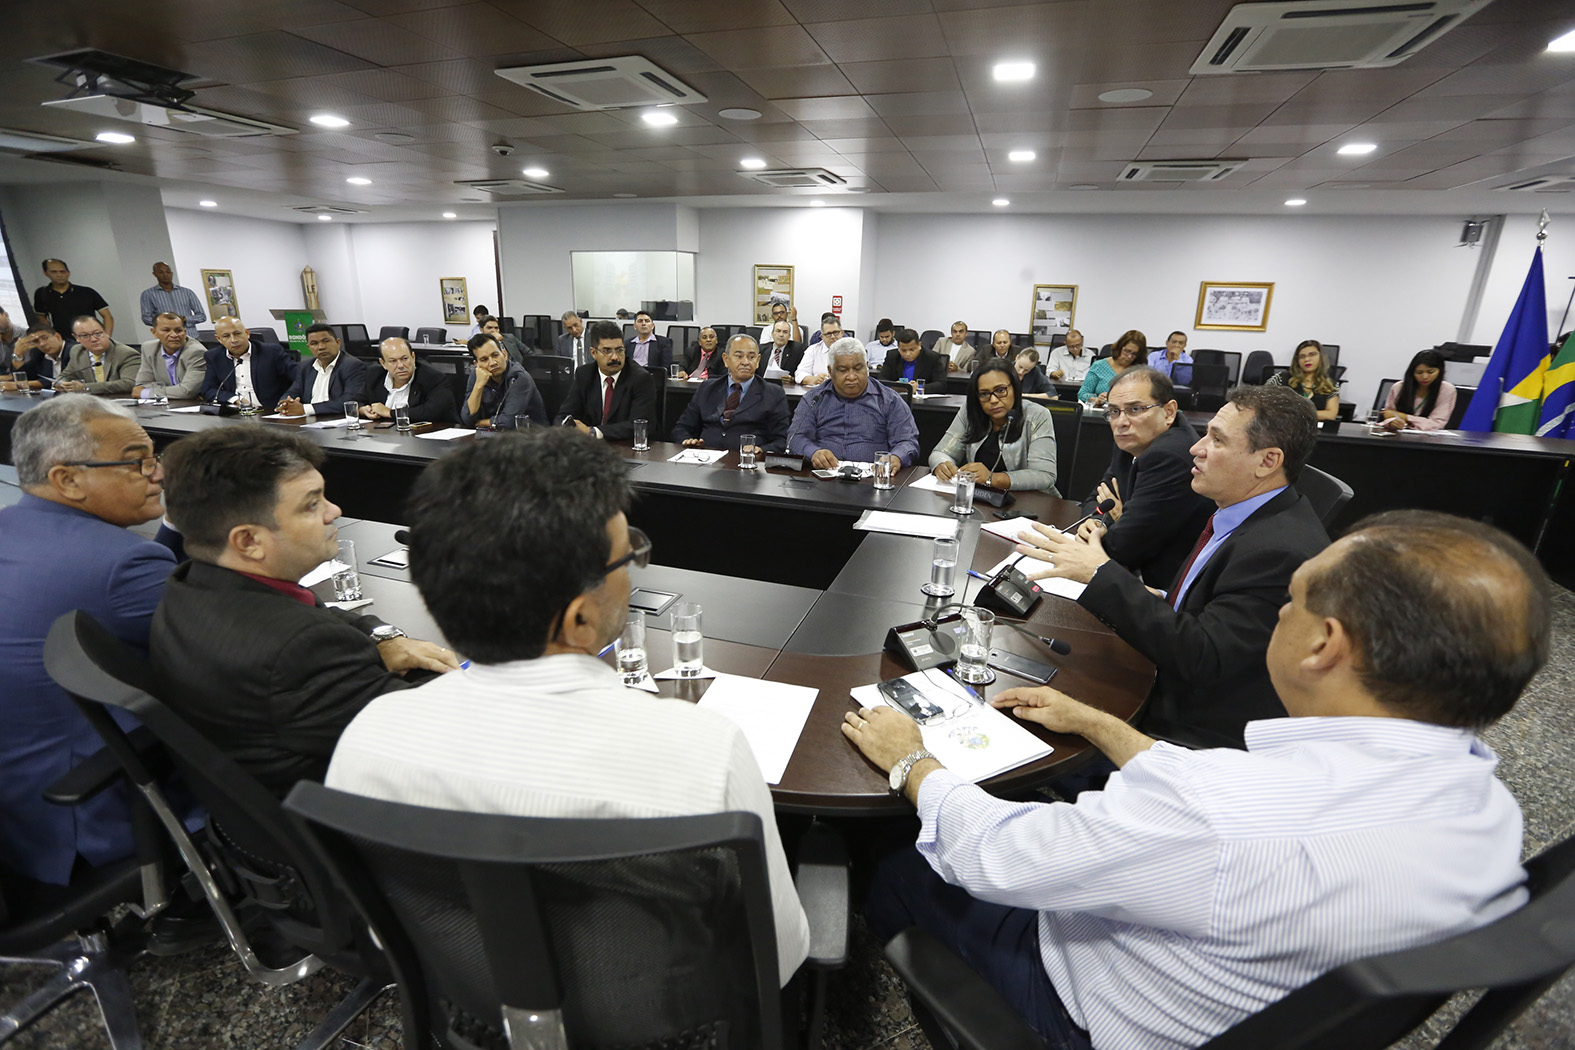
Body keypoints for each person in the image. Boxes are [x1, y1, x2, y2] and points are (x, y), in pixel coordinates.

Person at [843, 508, 1547, 1050]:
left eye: (1293, 599)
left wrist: (912, 760)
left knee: (895, 854)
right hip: (1234, 1002)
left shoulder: (1218, 812)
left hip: (1082, 1011)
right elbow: (1225, 801)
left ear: (1325, 646)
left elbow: (993, 854)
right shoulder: (1486, 804)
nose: (1278, 612)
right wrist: (1099, 725)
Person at [325, 430, 811, 983]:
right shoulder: (707, 752)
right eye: (628, 557)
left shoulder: (367, 739)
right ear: (580, 619)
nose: (633, 569)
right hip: (659, 1012)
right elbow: (777, 955)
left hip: (468, 998)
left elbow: (386, 935)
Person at [1016, 385, 1329, 748]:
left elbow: (1202, 656)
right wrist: (1160, 597)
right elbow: (1215, 612)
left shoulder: (1278, 551)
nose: (1196, 448)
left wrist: (1099, 573)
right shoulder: (1244, 514)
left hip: (1193, 731)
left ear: (1268, 462)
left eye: (1217, 439)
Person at [151, 427, 459, 797]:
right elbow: (435, 730)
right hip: (347, 817)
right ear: (249, 541)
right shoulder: (300, 648)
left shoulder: (192, 584)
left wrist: (382, 637)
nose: (335, 511)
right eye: (312, 505)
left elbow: (313, 608)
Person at [0, 396, 176, 885]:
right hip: (91, 817)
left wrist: (174, 528)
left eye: (153, 457)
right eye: (136, 462)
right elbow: (229, 640)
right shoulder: (123, 563)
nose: (158, 473)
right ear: (68, 479)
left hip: (17, 806)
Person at [1080, 367, 1214, 588]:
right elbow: (1095, 499)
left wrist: (1120, 519)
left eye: (1135, 409)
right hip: (1131, 571)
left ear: (1169, 412)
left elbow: (1123, 548)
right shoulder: (1132, 440)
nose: (1121, 422)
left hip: (1162, 587)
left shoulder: (1170, 456)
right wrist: (1096, 522)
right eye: (1114, 411)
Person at [787, 338, 921, 470]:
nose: (851, 376)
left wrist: (896, 457)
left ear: (866, 367)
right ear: (830, 371)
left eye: (858, 369)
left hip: (873, 477)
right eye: (843, 370)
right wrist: (813, 453)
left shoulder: (889, 400)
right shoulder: (814, 399)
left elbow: (907, 441)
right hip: (823, 475)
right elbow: (795, 438)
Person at [929, 359, 1058, 493]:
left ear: (1015, 388)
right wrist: (942, 465)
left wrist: (992, 478)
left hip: (1031, 500)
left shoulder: (1037, 415)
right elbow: (940, 452)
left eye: (1001, 390)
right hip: (983, 498)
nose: (993, 400)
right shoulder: (970, 411)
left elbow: (1044, 475)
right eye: (984, 394)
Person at [671, 334, 791, 451]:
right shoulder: (707, 388)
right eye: (739, 356)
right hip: (705, 458)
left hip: (747, 460)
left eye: (751, 357)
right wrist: (687, 441)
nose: (745, 362)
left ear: (758, 360)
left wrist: (761, 450)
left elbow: (782, 440)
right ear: (726, 359)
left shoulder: (773, 394)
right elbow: (681, 428)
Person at [557, 319, 658, 440]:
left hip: (624, 445)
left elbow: (639, 424)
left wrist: (593, 432)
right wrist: (564, 427)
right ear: (593, 353)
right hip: (588, 446)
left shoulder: (640, 378)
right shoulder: (584, 374)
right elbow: (565, 414)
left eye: (619, 350)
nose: (615, 357)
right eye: (607, 351)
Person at [200, 316, 298, 409]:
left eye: (237, 333)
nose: (233, 340)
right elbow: (208, 389)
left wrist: (287, 398)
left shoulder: (271, 352)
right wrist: (234, 399)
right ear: (219, 339)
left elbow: (300, 378)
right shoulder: (214, 356)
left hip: (270, 410)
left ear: (247, 333)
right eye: (226, 336)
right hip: (235, 412)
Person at [358, 336, 458, 424]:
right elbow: (356, 400)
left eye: (404, 359)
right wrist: (363, 410)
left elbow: (431, 412)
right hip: (384, 434)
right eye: (393, 361)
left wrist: (388, 412)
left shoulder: (433, 378)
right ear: (383, 363)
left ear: (413, 357)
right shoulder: (374, 375)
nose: (400, 365)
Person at [277, 323, 368, 418]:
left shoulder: (352, 366)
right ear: (308, 347)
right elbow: (292, 392)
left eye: (326, 341)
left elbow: (350, 401)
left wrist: (305, 409)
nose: (321, 347)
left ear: (338, 342)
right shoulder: (305, 367)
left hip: (336, 420)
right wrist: (286, 404)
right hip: (308, 420)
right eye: (314, 343)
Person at [461, 332, 546, 429]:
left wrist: (481, 422)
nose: (492, 363)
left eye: (495, 355)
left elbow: (508, 422)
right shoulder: (476, 376)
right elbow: (467, 418)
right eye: (484, 359)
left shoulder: (519, 377)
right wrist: (478, 386)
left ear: (504, 354)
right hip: (493, 433)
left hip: (531, 434)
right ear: (477, 364)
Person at [55, 315, 141, 396]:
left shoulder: (125, 353)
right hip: (90, 402)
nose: (93, 339)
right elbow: (65, 375)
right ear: (76, 338)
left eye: (97, 333)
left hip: (120, 401)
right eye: (85, 335)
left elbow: (130, 383)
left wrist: (85, 387)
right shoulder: (77, 351)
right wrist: (61, 383)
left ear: (105, 332)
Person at [133, 312, 208, 400]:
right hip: (167, 403)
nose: (174, 335)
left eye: (178, 330)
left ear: (185, 332)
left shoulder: (196, 352)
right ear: (154, 332)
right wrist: (174, 391)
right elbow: (142, 384)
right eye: (166, 330)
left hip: (194, 403)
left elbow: (187, 391)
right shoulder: (149, 348)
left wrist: (145, 393)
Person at [33, 258, 112, 340]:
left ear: (68, 273)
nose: (59, 275)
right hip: (63, 341)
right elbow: (40, 316)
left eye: (62, 271)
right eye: (54, 272)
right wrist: (51, 335)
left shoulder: (86, 292)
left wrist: (106, 337)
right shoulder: (42, 293)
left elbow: (107, 316)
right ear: (46, 273)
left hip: (90, 338)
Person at [1382, 349, 1456, 431]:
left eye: (1430, 372)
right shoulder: (1398, 387)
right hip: (1398, 434)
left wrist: (1405, 417)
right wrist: (1392, 423)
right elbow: (1388, 415)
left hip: (1428, 437)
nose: (1425, 377)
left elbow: (1436, 424)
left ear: (1440, 371)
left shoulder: (1447, 389)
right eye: (1419, 372)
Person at [1078, 330, 1146, 406]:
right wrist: (1096, 399)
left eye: (1134, 354)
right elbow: (1082, 394)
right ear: (1119, 347)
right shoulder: (1099, 366)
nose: (1129, 356)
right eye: (1127, 351)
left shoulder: (1140, 371)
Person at [3, 323, 70, 390]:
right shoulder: (39, 354)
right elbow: (25, 376)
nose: (42, 344)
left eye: (45, 338)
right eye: (36, 341)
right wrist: (18, 355)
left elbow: (65, 380)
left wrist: (24, 384)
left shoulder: (72, 350)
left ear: (58, 337)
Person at [1285, 339, 1339, 421]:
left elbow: (1331, 415)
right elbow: (1267, 408)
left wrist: (1297, 414)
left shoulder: (1330, 385)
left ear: (1321, 357)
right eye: (1302, 356)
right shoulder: (1281, 379)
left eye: (1312, 355)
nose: (1307, 359)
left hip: (1315, 427)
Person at [139, 262, 206, 327]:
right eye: (161, 272)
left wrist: (185, 319)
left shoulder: (187, 292)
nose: (165, 275)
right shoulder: (148, 294)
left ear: (172, 273)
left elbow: (202, 316)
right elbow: (146, 318)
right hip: (166, 333)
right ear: (155, 274)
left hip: (189, 332)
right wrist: (165, 322)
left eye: (168, 272)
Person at [879, 328, 947, 389]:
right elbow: (881, 379)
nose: (907, 354)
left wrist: (919, 387)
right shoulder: (892, 356)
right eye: (903, 350)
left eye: (912, 350)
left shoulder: (932, 357)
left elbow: (941, 385)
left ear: (919, 345)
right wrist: (894, 385)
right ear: (898, 347)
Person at [794, 315, 844, 386]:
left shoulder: (852, 349)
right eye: (828, 334)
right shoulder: (813, 350)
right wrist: (814, 379)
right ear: (822, 337)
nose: (833, 336)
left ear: (842, 333)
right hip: (820, 390)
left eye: (836, 332)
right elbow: (800, 373)